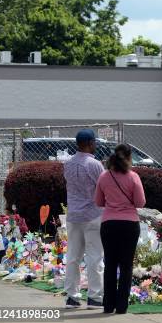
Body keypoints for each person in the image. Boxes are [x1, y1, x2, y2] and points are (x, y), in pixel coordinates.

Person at [95, 144, 146, 314]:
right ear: (129, 158)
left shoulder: (104, 176)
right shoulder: (133, 177)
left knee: (110, 264)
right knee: (126, 266)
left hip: (109, 224)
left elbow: (98, 202)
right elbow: (140, 203)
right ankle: (122, 306)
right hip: (129, 224)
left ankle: (108, 305)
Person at [63, 129, 105, 309]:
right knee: (94, 256)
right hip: (92, 214)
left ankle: (72, 297)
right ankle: (94, 297)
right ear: (89, 143)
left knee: (73, 256)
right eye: (94, 142)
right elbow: (103, 188)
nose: (95, 145)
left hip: (73, 215)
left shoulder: (68, 164)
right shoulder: (95, 165)